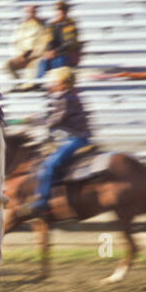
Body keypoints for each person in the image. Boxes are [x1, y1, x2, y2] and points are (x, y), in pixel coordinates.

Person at [31, 66, 91, 217]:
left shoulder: (67, 98)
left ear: (63, 83)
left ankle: (42, 203)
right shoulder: (65, 97)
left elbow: (55, 120)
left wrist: (34, 121)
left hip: (76, 139)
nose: (50, 85)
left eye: (53, 82)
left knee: (49, 164)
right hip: (68, 138)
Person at [4, 4, 50, 87]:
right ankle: (19, 85)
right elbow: (14, 42)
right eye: (29, 12)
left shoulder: (43, 26)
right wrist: (19, 55)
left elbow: (43, 43)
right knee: (8, 65)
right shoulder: (22, 26)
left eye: (33, 12)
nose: (31, 14)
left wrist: (32, 55)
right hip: (21, 56)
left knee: (34, 66)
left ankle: (29, 87)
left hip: (35, 57)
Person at [37, 0, 80, 78]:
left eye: (63, 10)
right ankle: (39, 83)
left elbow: (69, 43)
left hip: (66, 54)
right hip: (56, 54)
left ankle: (60, 81)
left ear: (66, 12)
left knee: (60, 60)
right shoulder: (52, 25)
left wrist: (55, 52)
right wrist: (49, 52)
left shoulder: (70, 25)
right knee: (43, 61)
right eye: (59, 10)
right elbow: (49, 41)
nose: (61, 12)